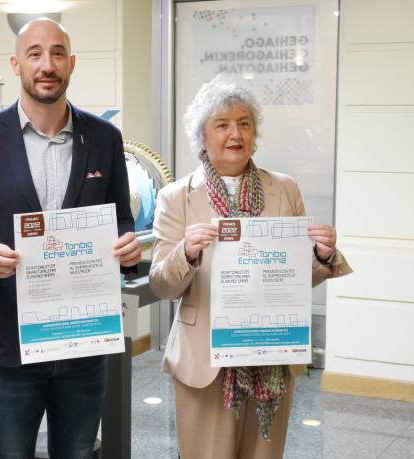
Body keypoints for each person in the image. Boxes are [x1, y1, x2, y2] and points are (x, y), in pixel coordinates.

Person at [0, 18, 141, 458]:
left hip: (83, 340)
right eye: (35, 54)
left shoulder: (105, 138)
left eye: (56, 54)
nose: (46, 65)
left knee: (76, 451)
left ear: (71, 64)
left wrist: (128, 243)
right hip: (9, 340)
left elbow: (122, 219)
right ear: (16, 64)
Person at [149, 75, 353, 459]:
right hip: (203, 362)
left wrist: (322, 257)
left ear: (255, 134)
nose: (235, 134)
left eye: (244, 123)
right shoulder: (176, 198)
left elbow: (293, 277)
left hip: (270, 354)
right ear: (202, 138)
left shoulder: (284, 188)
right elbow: (161, 285)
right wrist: (186, 254)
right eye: (222, 124)